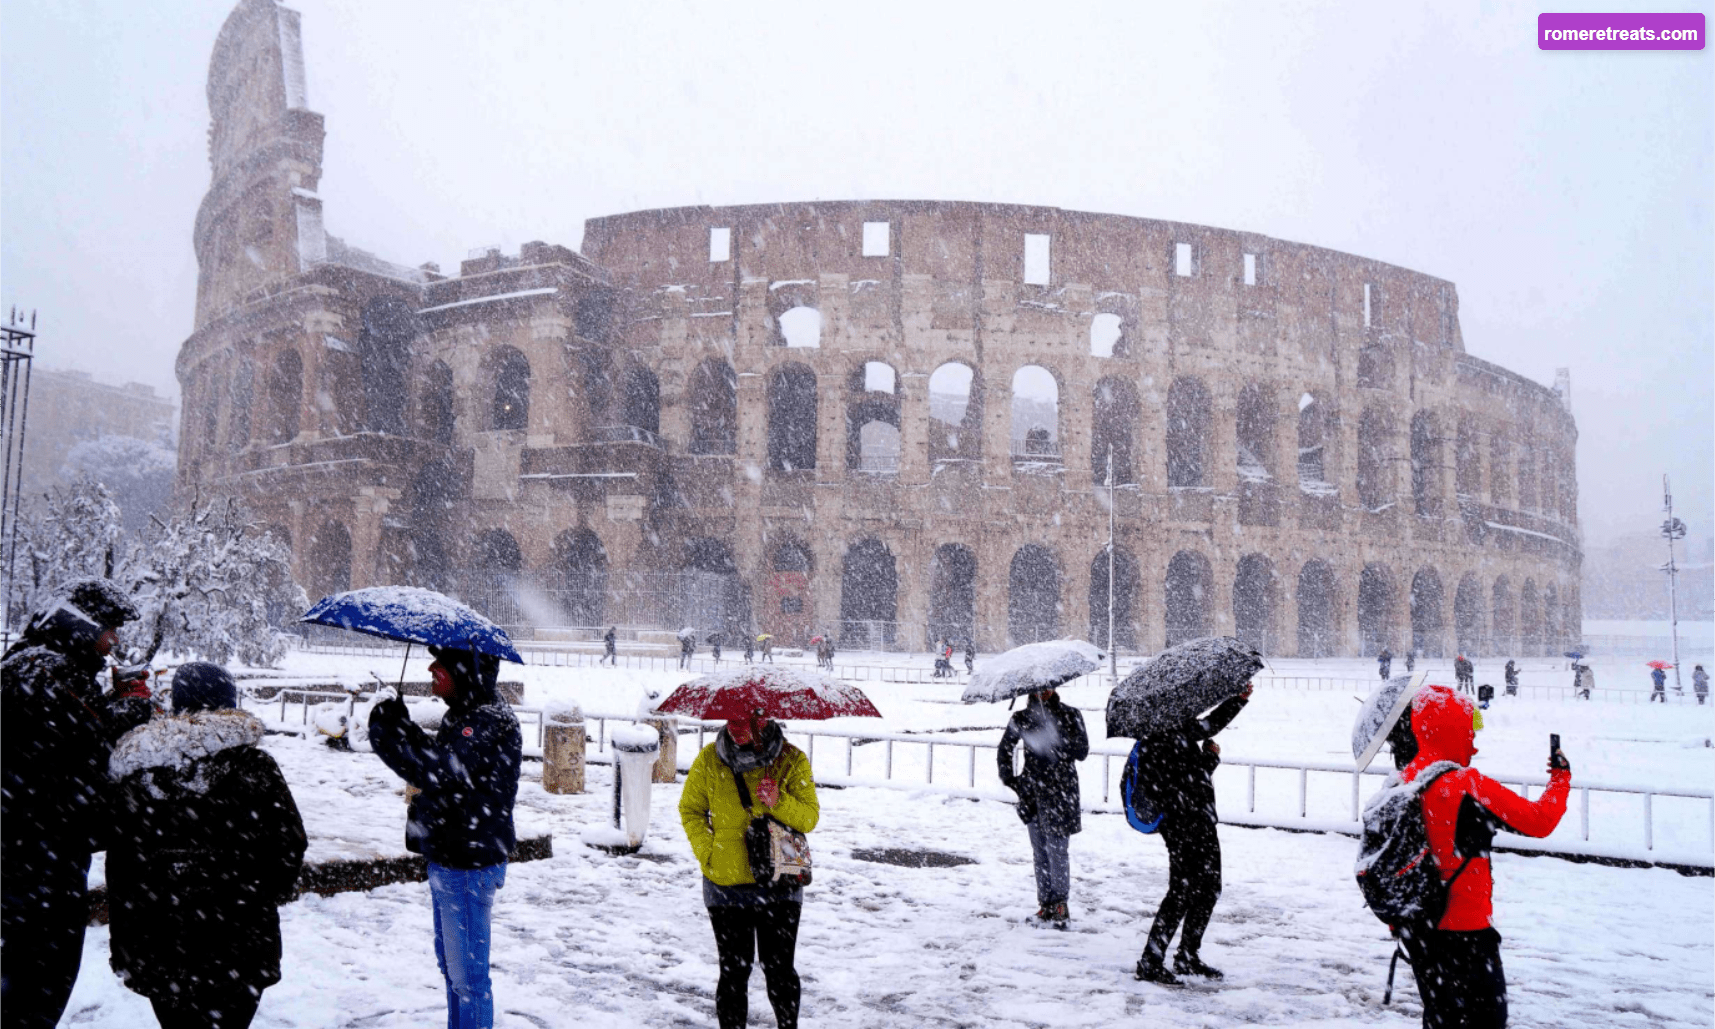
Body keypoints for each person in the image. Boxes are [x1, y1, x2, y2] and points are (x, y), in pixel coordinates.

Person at [106, 663, 307, 1029]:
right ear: (229, 704)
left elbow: (123, 867)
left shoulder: (139, 774)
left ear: (178, 704)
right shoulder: (254, 766)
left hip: (161, 942)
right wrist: (256, 896)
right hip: (239, 940)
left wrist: (126, 943)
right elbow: (289, 844)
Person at [0, 578, 151, 1028]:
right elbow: (92, 744)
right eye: (110, 629)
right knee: (42, 972)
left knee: (27, 967)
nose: (114, 641)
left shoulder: (27, 664)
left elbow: (63, 736)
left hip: (27, 841)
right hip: (43, 850)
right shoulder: (51, 672)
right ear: (82, 625)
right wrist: (133, 707)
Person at [1396, 684, 1570, 1029]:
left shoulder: (1400, 782)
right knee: (1486, 1020)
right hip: (1467, 932)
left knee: (1440, 1018)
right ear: (1452, 731)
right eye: (1469, 730)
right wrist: (1560, 778)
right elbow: (1539, 822)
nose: (1474, 743)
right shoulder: (1466, 784)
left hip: (1416, 928)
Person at [368, 645, 523, 1029]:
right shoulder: (466, 716)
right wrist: (401, 726)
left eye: (442, 661)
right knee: (454, 971)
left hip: (468, 865)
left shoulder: (488, 721)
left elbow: (441, 772)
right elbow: (443, 767)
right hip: (451, 859)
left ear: (467, 670)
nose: (431, 666)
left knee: (468, 979)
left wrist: (391, 735)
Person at [678, 708, 819, 1029]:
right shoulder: (710, 760)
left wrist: (778, 800)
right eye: (732, 719)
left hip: (780, 883)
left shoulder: (790, 760)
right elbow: (691, 810)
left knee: (780, 969)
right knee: (733, 972)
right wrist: (708, 852)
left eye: (745, 721)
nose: (736, 727)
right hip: (726, 885)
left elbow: (809, 817)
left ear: (765, 720)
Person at [1132, 683, 1254, 984]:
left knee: (1209, 888)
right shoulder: (1158, 737)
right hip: (1182, 824)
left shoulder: (1179, 730)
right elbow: (1178, 782)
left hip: (1199, 820)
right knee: (1181, 891)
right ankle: (1151, 959)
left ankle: (1188, 954)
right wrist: (1236, 702)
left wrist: (1208, 758)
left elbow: (1196, 767)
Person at [997, 687, 1089, 926]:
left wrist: (1056, 738)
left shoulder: (1071, 714)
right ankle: (1045, 904)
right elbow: (1004, 748)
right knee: (1040, 852)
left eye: (1047, 687)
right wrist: (1012, 780)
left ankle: (1060, 905)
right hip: (1032, 793)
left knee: (1057, 851)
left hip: (1061, 792)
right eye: (1038, 688)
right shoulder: (1021, 717)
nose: (1043, 691)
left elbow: (1082, 751)